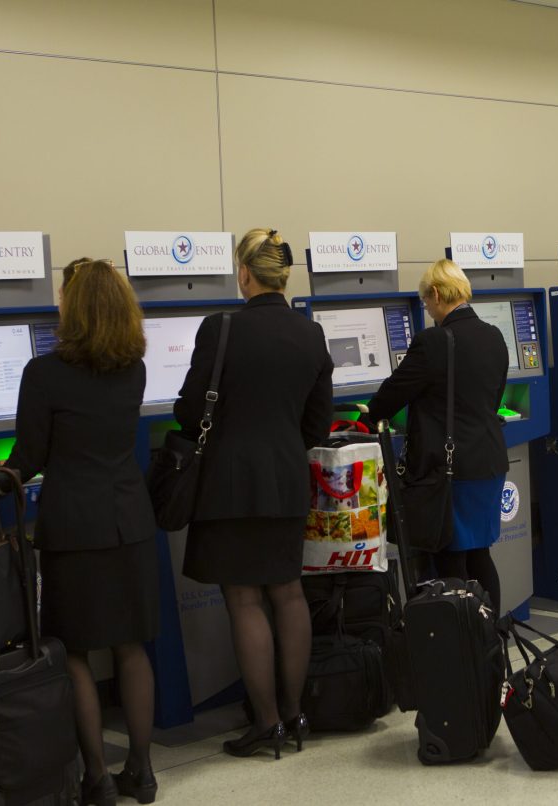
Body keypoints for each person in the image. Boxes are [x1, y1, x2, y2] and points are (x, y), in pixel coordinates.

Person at [6, 259, 160, 805]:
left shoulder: (43, 374)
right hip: (130, 521)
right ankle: (140, 772)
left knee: (74, 653)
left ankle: (97, 779)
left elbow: (27, 457)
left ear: (74, 309)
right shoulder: (134, 368)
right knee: (130, 648)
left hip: (73, 527)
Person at [175, 228, 333, 759]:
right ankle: (296, 713)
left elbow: (189, 409)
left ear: (244, 273)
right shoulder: (310, 334)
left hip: (230, 483)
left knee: (243, 599)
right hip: (288, 478)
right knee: (288, 593)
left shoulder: (220, 330)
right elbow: (318, 422)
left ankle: (266, 724)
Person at [366, 259, 509, 609]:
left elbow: (389, 397)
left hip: (450, 472)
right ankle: (489, 638)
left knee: (450, 560)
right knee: (479, 555)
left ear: (435, 293)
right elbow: (490, 397)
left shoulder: (434, 341)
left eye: (425, 302)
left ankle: (459, 647)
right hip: (488, 463)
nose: (427, 309)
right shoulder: (494, 336)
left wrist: (366, 415)